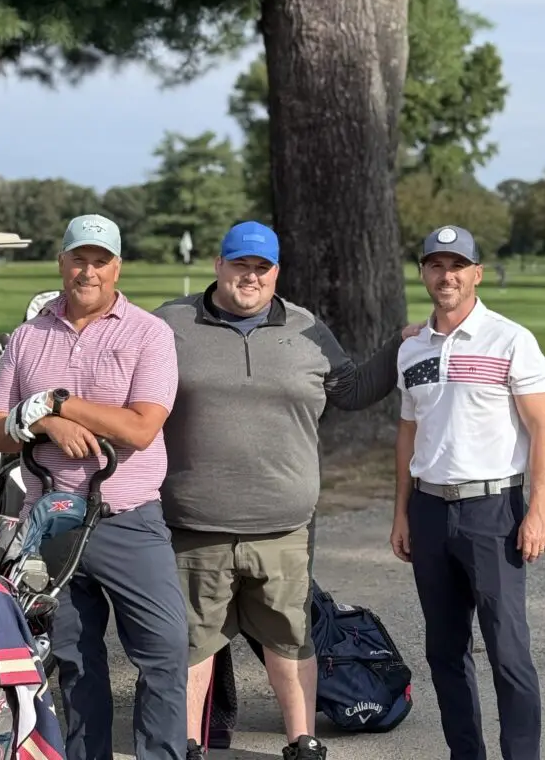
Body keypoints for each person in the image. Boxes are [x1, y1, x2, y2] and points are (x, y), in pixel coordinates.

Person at [154, 220, 423, 760]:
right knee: (193, 642)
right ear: (219, 265)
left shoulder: (307, 329)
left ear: (276, 272)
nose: (250, 277)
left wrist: (400, 346)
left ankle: (303, 742)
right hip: (194, 524)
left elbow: (350, 391)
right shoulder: (170, 323)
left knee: (290, 636)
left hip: (284, 526)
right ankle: (184, 746)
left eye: (262, 268)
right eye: (240, 265)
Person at [0, 214, 188, 760]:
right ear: (62, 262)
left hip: (129, 518)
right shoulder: (28, 336)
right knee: (74, 661)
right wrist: (43, 423)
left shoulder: (149, 332)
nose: (87, 271)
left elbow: (141, 428)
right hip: (50, 521)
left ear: (117, 267)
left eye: (100, 261)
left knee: (164, 654)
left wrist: (60, 402)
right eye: (79, 259)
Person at [390, 225, 545, 760]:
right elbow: (408, 432)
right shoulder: (412, 346)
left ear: (476, 273)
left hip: (494, 512)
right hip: (429, 509)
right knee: (445, 651)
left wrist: (539, 512)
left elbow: (544, 431)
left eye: (457, 265)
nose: (447, 275)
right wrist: (401, 514)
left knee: (508, 651)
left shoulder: (511, 339)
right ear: (423, 273)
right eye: (436, 265)